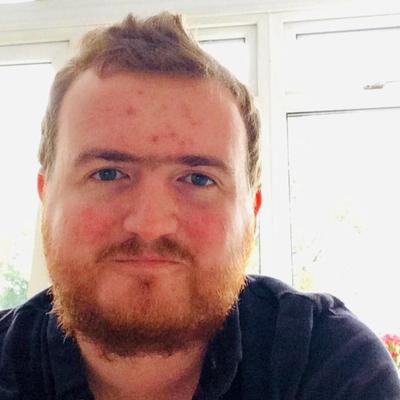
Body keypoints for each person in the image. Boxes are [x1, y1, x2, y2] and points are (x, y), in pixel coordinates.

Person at [0, 12, 399, 400]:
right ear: (46, 197)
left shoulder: (330, 362)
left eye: (198, 179)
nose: (151, 223)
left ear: (252, 213)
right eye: (107, 173)